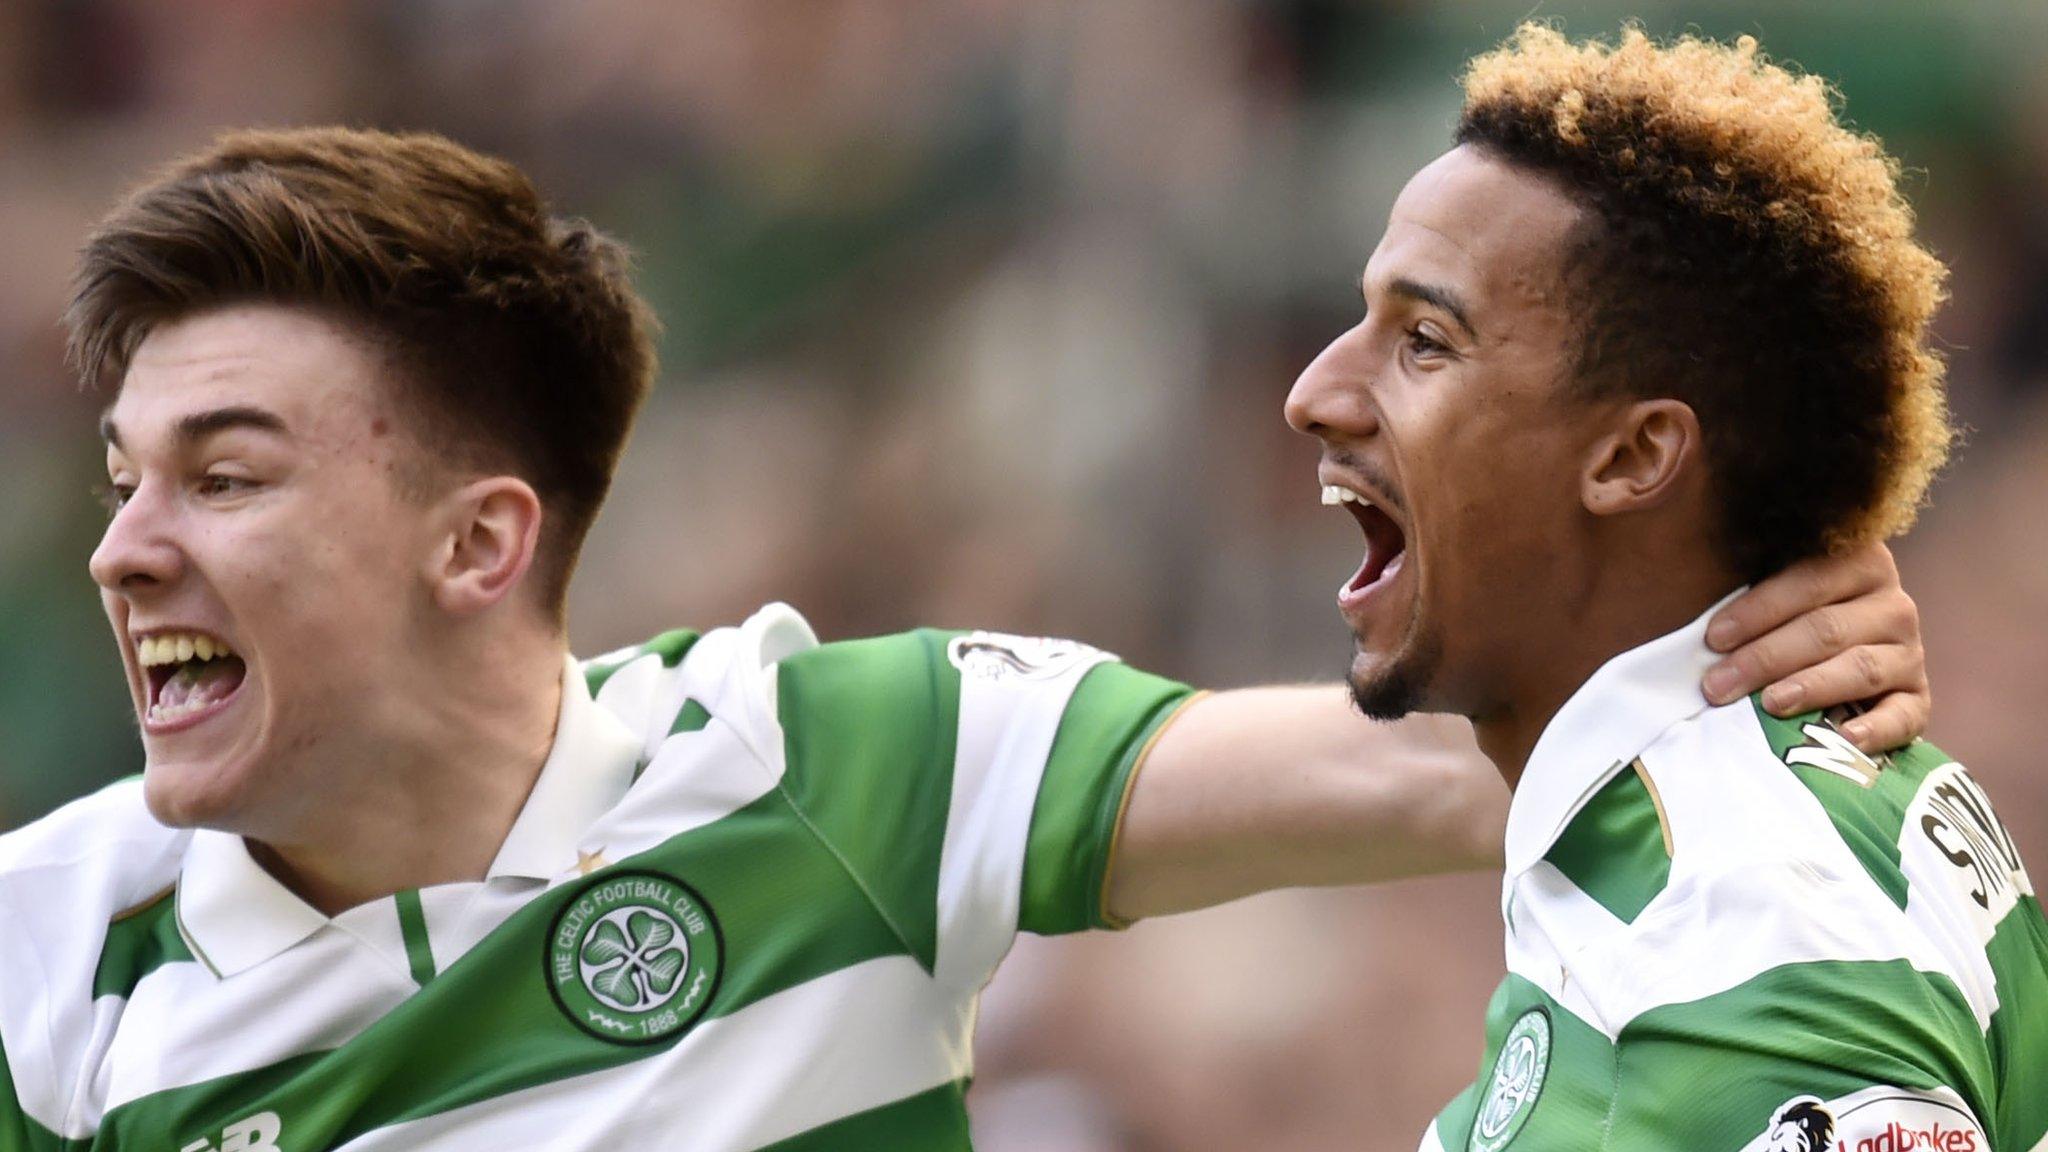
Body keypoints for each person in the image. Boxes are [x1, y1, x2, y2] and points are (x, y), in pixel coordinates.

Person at [0, 126, 1927, 1151]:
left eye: (223, 479)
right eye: (122, 477)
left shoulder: (832, 765)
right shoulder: (41, 961)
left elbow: (1440, 756)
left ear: (482, 540)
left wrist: (1741, 643)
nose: (124, 550)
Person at [1283, 24, 2046, 1152]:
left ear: (1633, 459)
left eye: (1424, 341)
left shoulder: (1747, 924)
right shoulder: (1688, 824)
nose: (1313, 393)